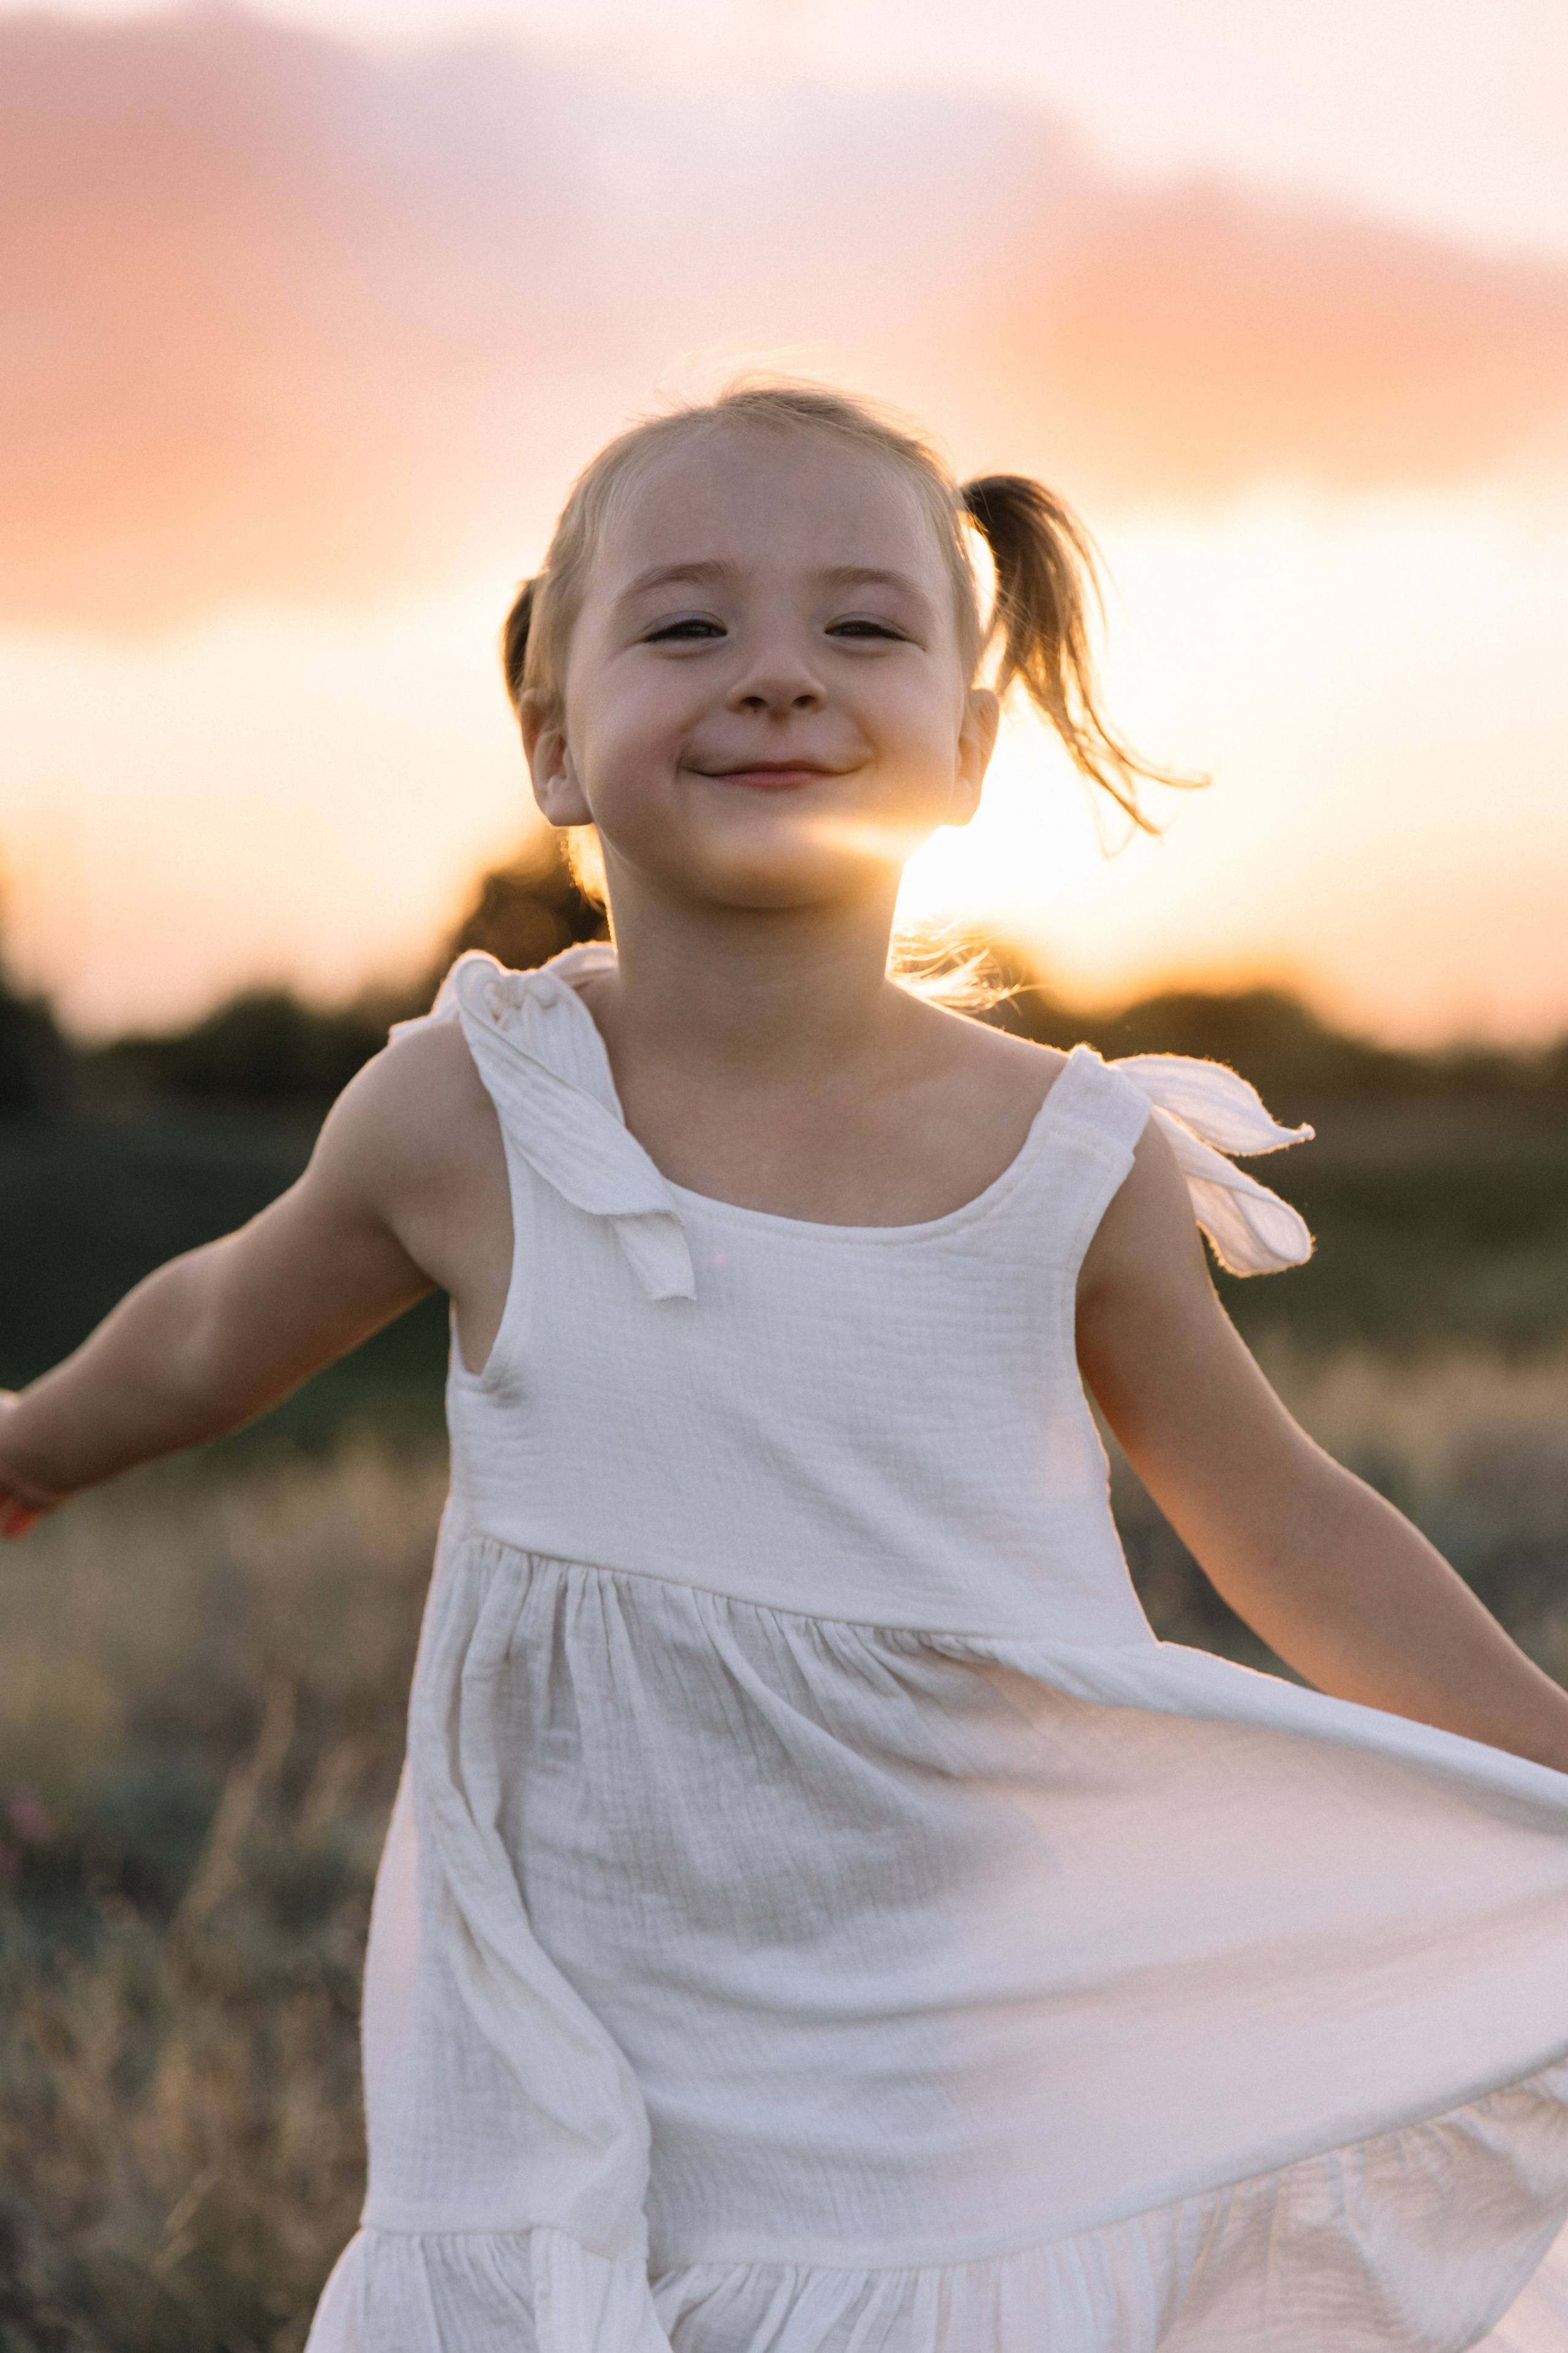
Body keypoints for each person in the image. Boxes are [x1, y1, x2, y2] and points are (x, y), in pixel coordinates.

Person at [4, 381, 1568, 2353]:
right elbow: (218, 1325)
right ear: (555, 738)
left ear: (968, 745)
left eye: (861, 628)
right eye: (686, 627)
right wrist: (27, 1444)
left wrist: (1550, 1759)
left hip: (962, 2051)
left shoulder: (1062, 1161)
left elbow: (1286, 1517)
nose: (776, 679)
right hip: (590, 2023)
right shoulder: (471, 1113)